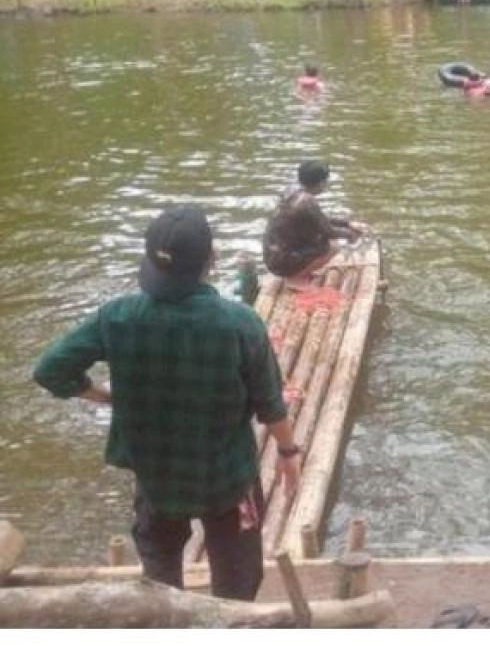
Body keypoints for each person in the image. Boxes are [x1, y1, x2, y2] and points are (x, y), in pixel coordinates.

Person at [32, 206, 301, 600]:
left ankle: (167, 623)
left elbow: (50, 370)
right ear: (211, 260)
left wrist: (103, 396)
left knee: (159, 570)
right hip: (227, 479)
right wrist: (288, 451)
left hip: (156, 477)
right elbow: (270, 403)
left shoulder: (117, 317)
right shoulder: (239, 323)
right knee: (238, 576)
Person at [263, 160, 366, 288]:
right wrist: (350, 235)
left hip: (272, 256)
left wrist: (348, 224)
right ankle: (295, 278)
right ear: (321, 182)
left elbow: (320, 218)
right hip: (281, 262)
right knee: (332, 247)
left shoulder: (292, 191)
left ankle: (298, 271)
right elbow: (329, 232)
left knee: (322, 241)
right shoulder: (307, 201)